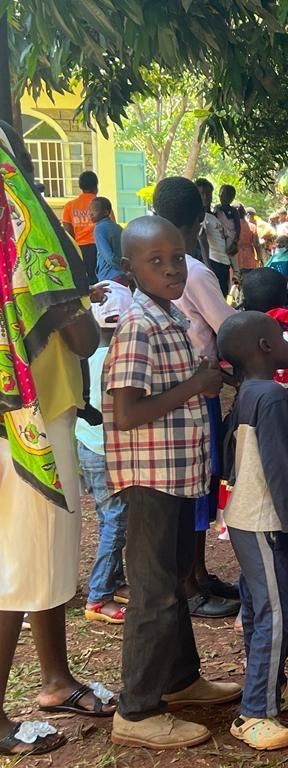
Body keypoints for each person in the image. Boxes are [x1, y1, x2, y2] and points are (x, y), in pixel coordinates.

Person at [0, 122, 117, 758]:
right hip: (31, 423)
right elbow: (81, 336)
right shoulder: (29, 235)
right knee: (20, 564)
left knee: (40, 554)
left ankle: (55, 679)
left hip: (25, 416)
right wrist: (81, 309)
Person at [105, 216, 242, 750]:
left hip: (179, 475)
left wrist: (202, 381)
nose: (171, 269)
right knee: (154, 593)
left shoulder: (169, 318)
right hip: (151, 480)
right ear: (129, 268)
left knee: (174, 581)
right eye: (155, 261)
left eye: (178, 258)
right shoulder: (139, 325)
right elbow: (126, 412)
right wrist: (195, 385)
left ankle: (180, 680)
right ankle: (137, 710)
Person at [216, 311, 288, 750]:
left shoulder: (249, 391)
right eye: (281, 336)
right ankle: (254, 713)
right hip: (262, 518)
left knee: (260, 606)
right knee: (277, 613)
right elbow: (280, 467)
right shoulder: (273, 396)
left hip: (246, 516)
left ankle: (272, 690)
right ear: (264, 347)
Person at [153, 177, 240, 620]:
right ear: (198, 222)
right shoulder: (195, 271)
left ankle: (199, 574)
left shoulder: (149, 266)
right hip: (197, 387)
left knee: (194, 482)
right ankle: (190, 582)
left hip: (171, 388)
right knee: (199, 482)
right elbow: (228, 328)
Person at [79, 282, 134, 625]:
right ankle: (99, 596)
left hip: (86, 446)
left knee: (107, 517)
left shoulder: (83, 356)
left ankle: (113, 581)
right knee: (116, 522)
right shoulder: (118, 360)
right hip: (107, 452)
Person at [62, 170, 101, 282]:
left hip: (79, 249)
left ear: (80, 186)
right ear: (96, 187)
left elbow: (68, 232)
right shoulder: (101, 204)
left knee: (83, 281)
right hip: (98, 248)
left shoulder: (70, 206)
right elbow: (110, 225)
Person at [196, 178, 232, 296]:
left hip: (223, 261)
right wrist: (208, 267)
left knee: (223, 294)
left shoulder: (213, 215)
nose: (206, 197)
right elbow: (202, 239)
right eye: (202, 193)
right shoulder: (200, 216)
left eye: (208, 193)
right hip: (213, 262)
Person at [90, 196, 128, 285]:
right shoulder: (118, 227)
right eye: (90, 210)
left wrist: (121, 267)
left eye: (95, 210)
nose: (91, 214)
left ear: (106, 212)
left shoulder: (99, 228)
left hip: (109, 276)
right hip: (122, 276)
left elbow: (109, 257)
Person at [215, 184, 242, 260]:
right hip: (218, 239)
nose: (221, 195)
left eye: (225, 194)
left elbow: (238, 228)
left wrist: (235, 242)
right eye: (221, 193)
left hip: (230, 240)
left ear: (232, 197)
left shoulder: (234, 211)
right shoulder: (217, 209)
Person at [237, 206, 262, 273]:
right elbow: (256, 244)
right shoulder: (252, 226)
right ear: (244, 214)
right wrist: (259, 258)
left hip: (236, 256)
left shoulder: (233, 227)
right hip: (249, 257)